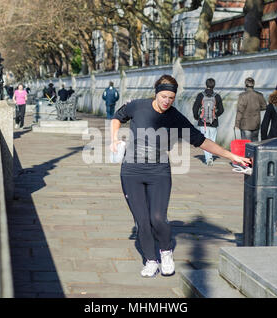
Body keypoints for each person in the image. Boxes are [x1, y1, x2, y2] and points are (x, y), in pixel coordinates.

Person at [110, 74, 251, 278]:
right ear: (156, 93)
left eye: (171, 98)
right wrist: (114, 139)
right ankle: (150, 260)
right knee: (142, 221)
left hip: (159, 172)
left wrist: (231, 155)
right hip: (131, 172)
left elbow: (200, 140)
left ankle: (166, 253)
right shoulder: (138, 106)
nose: (167, 101)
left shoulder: (174, 117)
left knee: (157, 218)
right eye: (164, 96)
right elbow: (117, 116)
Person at [192, 78, 224, 166]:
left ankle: (208, 158)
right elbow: (221, 110)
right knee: (212, 141)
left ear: (206, 85)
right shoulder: (217, 96)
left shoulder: (200, 95)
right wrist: (216, 115)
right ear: (214, 85)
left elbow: (195, 108)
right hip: (214, 122)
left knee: (204, 141)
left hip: (203, 122)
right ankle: (210, 157)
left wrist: (197, 117)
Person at [234, 77, 267, 142]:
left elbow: (240, 111)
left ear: (245, 85)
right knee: (255, 143)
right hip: (256, 123)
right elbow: (265, 106)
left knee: (246, 144)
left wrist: (237, 124)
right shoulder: (259, 95)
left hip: (245, 124)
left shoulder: (242, 95)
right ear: (253, 85)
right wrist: (257, 108)